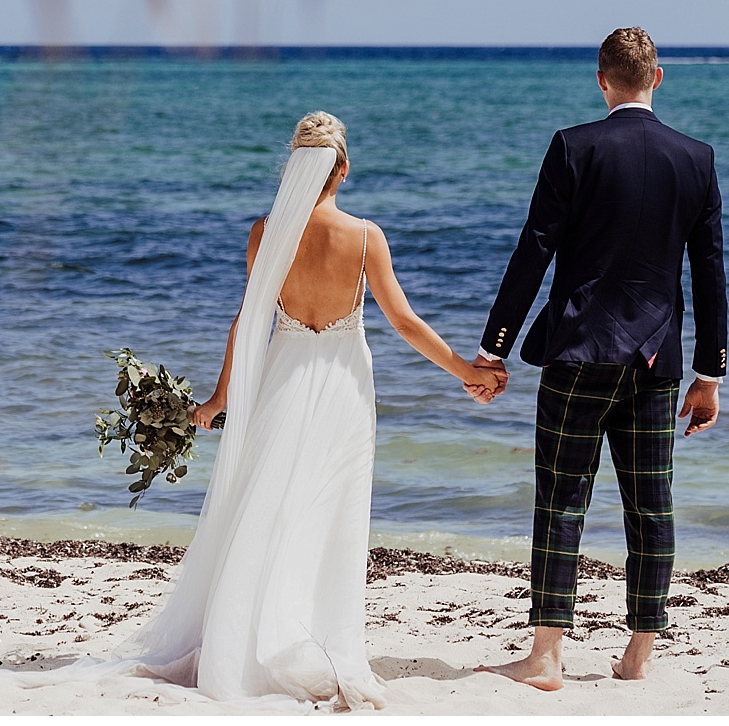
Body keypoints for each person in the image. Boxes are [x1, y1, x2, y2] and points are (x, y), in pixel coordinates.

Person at [125, 111, 503, 708]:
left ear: (295, 165)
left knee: (267, 503)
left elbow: (246, 324)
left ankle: (246, 638)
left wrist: (219, 400)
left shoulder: (265, 233)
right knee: (330, 510)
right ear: (343, 169)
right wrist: (469, 373)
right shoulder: (364, 236)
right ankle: (314, 634)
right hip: (344, 388)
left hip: (281, 378)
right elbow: (403, 321)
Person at [471, 27, 728, 690]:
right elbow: (709, 272)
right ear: (658, 77)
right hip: (655, 363)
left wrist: (492, 347)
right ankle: (639, 653)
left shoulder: (573, 146)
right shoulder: (695, 157)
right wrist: (710, 372)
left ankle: (547, 654)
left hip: (578, 354)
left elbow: (535, 249)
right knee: (652, 505)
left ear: (601, 78)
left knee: (561, 500)